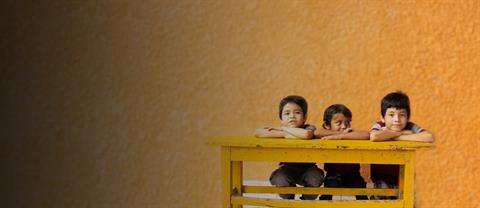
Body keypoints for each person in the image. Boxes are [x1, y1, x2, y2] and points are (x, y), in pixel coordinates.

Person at [254, 95, 324, 200]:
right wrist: (285, 132)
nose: (292, 116)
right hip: (287, 169)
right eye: (287, 113)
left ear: (304, 117)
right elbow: (258, 132)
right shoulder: (282, 130)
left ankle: (306, 201)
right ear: (281, 119)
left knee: (315, 176)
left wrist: (282, 129)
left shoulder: (309, 127)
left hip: (308, 169)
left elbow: (306, 134)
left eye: (297, 112)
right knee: (280, 178)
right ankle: (288, 201)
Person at [369, 91, 434, 199]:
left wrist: (396, 137)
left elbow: (428, 137)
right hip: (381, 179)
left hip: (405, 179)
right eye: (391, 115)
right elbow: (374, 136)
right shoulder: (380, 125)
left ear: (408, 117)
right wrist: (402, 133)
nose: (397, 120)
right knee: (381, 196)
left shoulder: (410, 126)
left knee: (415, 197)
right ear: (382, 117)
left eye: (402, 115)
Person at [314, 104, 369, 200]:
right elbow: (317, 132)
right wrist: (339, 134)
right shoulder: (327, 136)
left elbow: (367, 135)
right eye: (338, 123)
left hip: (353, 174)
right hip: (333, 174)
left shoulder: (350, 135)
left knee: (361, 190)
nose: (344, 126)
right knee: (328, 191)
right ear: (327, 125)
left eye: (347, 123)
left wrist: (341, 136)